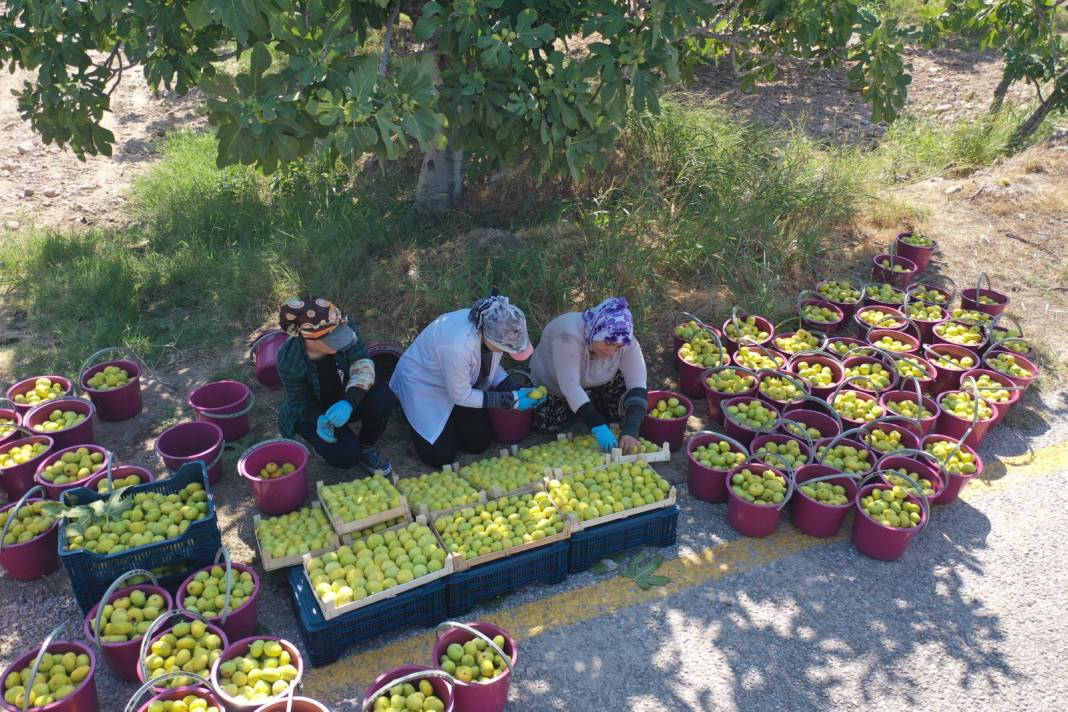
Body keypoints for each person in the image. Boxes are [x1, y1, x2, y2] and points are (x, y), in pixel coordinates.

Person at [390, 291, 543, 467]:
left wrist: (510, 387)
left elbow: (491, 364)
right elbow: (460, 396)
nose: (507, 353)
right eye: (507, 350)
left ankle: (452, 421)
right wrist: (509, 400)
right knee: (440, 457)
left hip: (457, 381)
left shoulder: (493, 325)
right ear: (491, 340)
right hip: (423, 384)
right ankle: (412, 415)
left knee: (478, 443)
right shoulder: (458, 345)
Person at [276, 296, 395, 474]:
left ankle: (366, 447)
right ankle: (324, 443)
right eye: (333, 339)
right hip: (315, 408)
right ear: (310, 340)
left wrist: (349, 402)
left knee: (383, 397)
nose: (341, 342)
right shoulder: (290, 359)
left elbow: (362, 364)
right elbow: (299, 402)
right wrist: (318, 419)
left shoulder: (342, 326)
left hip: (344, 398)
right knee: (345, 455)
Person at [530, 297, 648, 454]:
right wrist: (599, 427)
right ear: (596, 331)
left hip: (598, 381)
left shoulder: (625, 339)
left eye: (618, 347)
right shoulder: (567, 335)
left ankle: (587, 403)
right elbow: (569, 386)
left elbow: (638, 385)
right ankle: (582, 407)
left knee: (617, 414)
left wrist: (631, 430)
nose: (611, 351)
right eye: (608, 343)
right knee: (546, 425)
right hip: (555, 385)